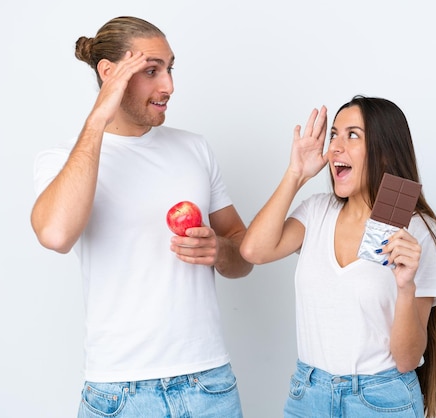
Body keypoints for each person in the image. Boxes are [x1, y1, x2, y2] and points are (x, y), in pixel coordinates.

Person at [31, 16, 253, 418]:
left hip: (209, 384)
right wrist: (99, 117)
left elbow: (244, 255)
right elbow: (56, 234)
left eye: (169, 69)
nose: (168, 85)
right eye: (151, 71)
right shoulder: (64, 160)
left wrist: (220, 250)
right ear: (109, 73)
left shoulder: (195, 149)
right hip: (119, 393)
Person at [240, 96, 436, 418]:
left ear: (385, 150)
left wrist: (407, 288)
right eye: (334, 134)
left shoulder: (418, 231)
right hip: (308, 395)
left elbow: (407, 360)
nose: (335, 146)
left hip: (380, 400)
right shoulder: (317, 211)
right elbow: (254, 251)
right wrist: (296, 173)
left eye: (352, 135)